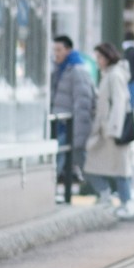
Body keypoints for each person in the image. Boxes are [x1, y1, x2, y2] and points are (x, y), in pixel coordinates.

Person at [85, 41, 134, 215]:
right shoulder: (109, 74)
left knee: (118, 167)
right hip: (106, 129)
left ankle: (123, 202)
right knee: (94, 165)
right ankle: (107, 195)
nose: (97, 60)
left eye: (99, 57)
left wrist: (113, 128)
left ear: (107, 57)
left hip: (113, 131)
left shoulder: (114, 75)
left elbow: (119, 103)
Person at [49, 35, 96, 193]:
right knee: (62, 158)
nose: (56, 53)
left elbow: (83, 103)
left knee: (68, 158)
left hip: (68, 125)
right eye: (54, 49)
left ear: (68, 50)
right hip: (59, 124)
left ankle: (96, 188)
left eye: (59, 50)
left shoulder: (76, 70)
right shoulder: (59, 69)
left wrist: (78, 130)